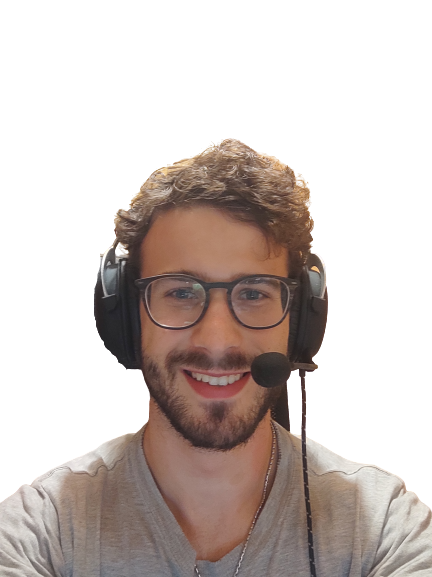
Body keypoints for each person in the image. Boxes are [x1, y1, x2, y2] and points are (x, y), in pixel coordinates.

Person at [1, 139, 431, 576]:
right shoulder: (42, 532)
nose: (217, 340)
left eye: (254, 293)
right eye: (181, 292)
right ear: (126, 317)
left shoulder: (383, 527)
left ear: (301, 319)